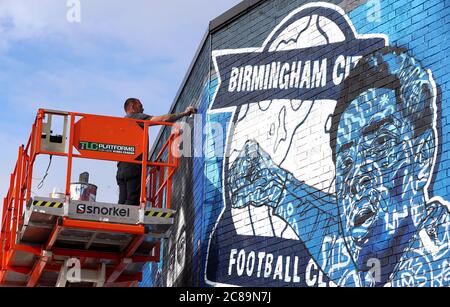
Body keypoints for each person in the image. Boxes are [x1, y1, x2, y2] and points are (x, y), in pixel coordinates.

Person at [228, 47, 450, 287]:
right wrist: (275, 187)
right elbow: (331, 237)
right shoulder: (367, 270)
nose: (357, 176)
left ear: (423, 155)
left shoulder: (438, 264)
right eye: (346, 163)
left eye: (381, 143)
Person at [117, 98, 196, 206]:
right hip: (134, 167)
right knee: (132, 201)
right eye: (140, 106)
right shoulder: (136, 117)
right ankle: (126, 222)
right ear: (132, 107)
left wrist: (149, 162)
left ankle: (121, 220)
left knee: (122, 202)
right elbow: (163, 119)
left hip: (121, 169)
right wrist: (185, 113)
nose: (143, 109)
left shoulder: (122, 124)